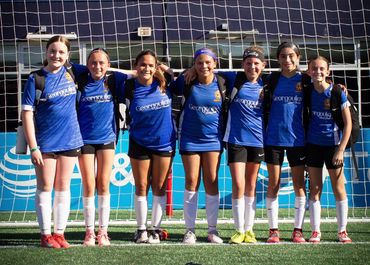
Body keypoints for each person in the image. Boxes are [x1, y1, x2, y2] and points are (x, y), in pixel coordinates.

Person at [21, 35, 84, 248]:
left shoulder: (73, 72)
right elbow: (27, 114)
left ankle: (59, 233)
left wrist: (137, 72)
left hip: (71, 139)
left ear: (67, 55)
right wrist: (34, 147)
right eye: (53, 51)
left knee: (64, 186)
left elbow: (103, 70)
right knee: (45, 187)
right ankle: (45, 234)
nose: (56, 55)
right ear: (46, 52)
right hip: (45, 143)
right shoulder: (35, 78)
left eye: (61, 52)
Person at [77, 48, 132, 246]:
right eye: (93, 62)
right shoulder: (80, 80)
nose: (97, 66)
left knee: (103, 183)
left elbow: (134, 74)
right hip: (83, 139)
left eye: (102, 63)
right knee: (89, 184)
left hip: (107, 138)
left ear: (108, 65)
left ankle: (103, 232)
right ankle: (89, 232)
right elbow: (68, 65)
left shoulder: (114, 81)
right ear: (87, 65)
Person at [172, 47, 226, 244]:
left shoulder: (223, 82)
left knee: (212, 180)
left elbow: (245, 74)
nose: (204, 66)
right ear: (194, 65)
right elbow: (166, 82)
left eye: (208, 62)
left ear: (215, 63)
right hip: (189, 138)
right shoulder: (186, 82)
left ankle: (212, 230)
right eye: (199, 62)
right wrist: (185, 71)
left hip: (213, 140)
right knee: (191, 181)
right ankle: (190, 230)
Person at [128, 49, 175, 244]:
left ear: (156, 67)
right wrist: (132, 73)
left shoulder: (167, 83)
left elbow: (176, 75)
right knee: (141, 186)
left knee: (159, 187)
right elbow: (107, 70)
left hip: (164, 142)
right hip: (139, 141)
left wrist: (163, 67)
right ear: (136, 67)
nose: (146, 68)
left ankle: (155, 229)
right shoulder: (128, 85)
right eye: (142, 64)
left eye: (150, 65)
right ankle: (141, 229)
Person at [263, 42, 307, 243]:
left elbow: (326, 90)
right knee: (274, 183)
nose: (287, 60)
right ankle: (274, 230)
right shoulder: (271, 79)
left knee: (299, 184)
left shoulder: (306, 80)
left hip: (298, 140)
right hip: (273, 138)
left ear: (298, 57)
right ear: (278, 59)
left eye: (291, 56)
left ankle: (298, 230)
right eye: (283, 56)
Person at [305, 55, 352, 243]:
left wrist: (340, 149)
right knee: (315, 188)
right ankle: (316, 231)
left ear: (328, 71)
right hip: (313, 145)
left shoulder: (337, 92)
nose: (318, 72)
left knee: (338, 188)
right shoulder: (306, 90)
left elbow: (347, 125)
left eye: (321, 68)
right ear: (308, 71)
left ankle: (342, 231)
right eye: (314, 68)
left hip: (333, 147)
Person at [223, 46, 266, 244]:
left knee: (251, 185)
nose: (252, 67)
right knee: (238, 184)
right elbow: (207, 71)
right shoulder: (233, 80)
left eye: (256, 64)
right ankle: (239, 230)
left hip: (258, 141)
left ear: (263, 66)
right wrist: (188, 70)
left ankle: (249, 230)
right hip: (236, 141)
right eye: (248, 63)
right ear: (243, 65)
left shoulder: (268, 84)